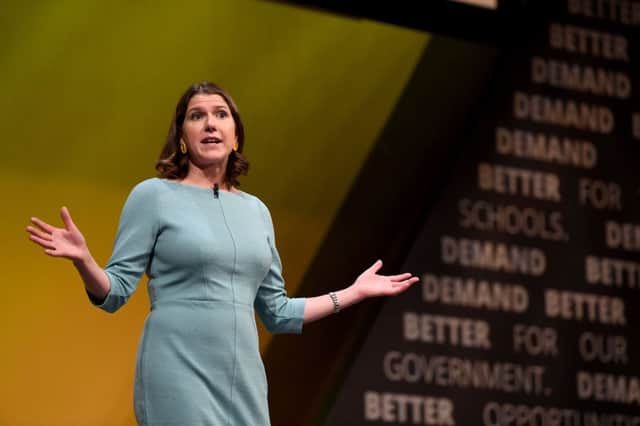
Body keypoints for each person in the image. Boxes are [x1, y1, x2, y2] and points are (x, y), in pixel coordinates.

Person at [26, 81, 419, 426]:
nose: (210, 123)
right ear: (182, 136)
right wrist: (85, 262)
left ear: (236, 136)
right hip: (177, 367)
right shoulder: (154, 196)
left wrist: (354, 292)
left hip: (243, 377)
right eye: (197, 116)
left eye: (220, 114)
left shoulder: (257, 211)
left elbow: (277, 313)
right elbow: (114, 294)